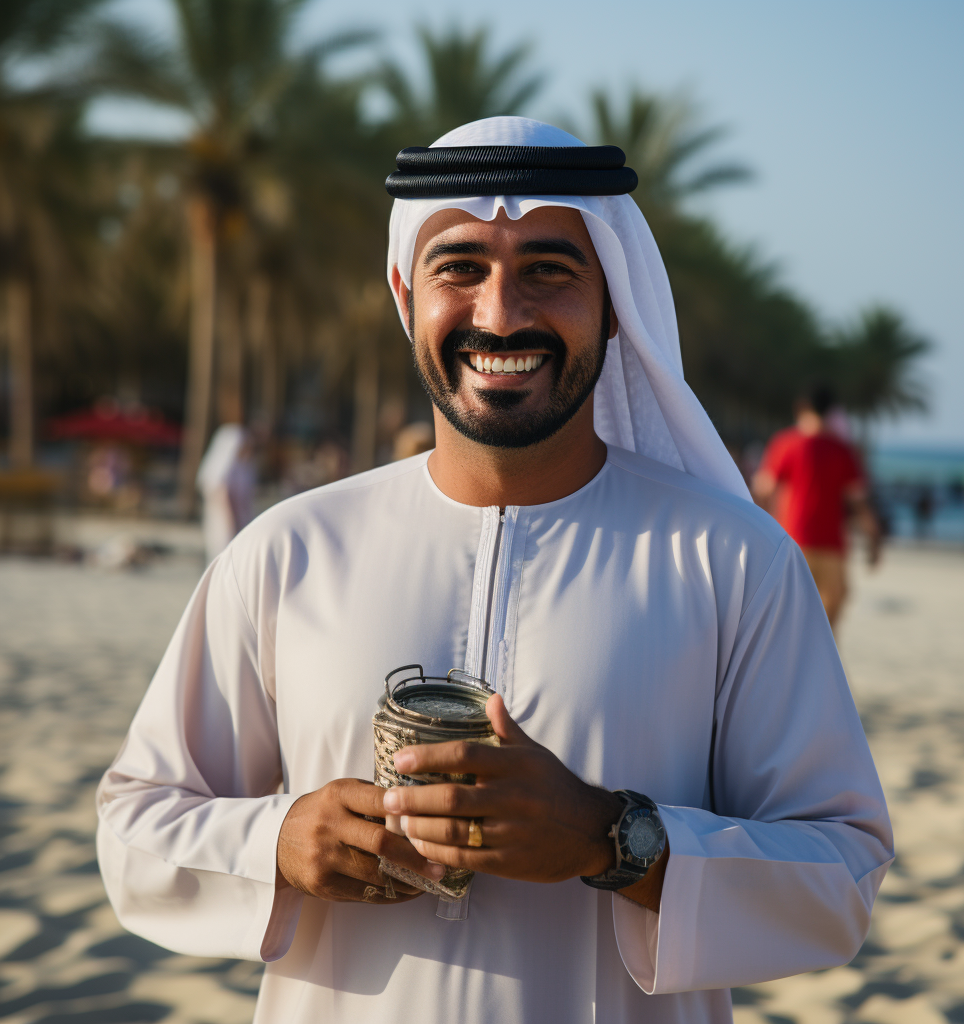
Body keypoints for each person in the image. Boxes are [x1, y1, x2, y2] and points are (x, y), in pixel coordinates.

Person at [96, 118, 892, 1024]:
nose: (502, 312)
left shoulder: (730, 562)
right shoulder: (288, 553)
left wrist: (612, 840)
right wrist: (279, 838)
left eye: (550, 270)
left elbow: (843, 875)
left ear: (613, 299)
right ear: (406, 290)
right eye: (460, 267)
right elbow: (135, 827)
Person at [753, 386, 881, 628]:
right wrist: (874, 541)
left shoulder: (785, 444)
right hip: (833, 546)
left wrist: (759, 535)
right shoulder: (843, 450)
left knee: (790, 617)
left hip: (792, 542)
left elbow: (762, 492)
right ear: (831, 411)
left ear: (801, 408)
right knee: (827, 624)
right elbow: (859, 504)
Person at [195, 423, 256, 563]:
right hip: (224, 518)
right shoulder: (223, 467)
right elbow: (222, 495)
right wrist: (234, 523)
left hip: (241, 516)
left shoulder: (243, 466)